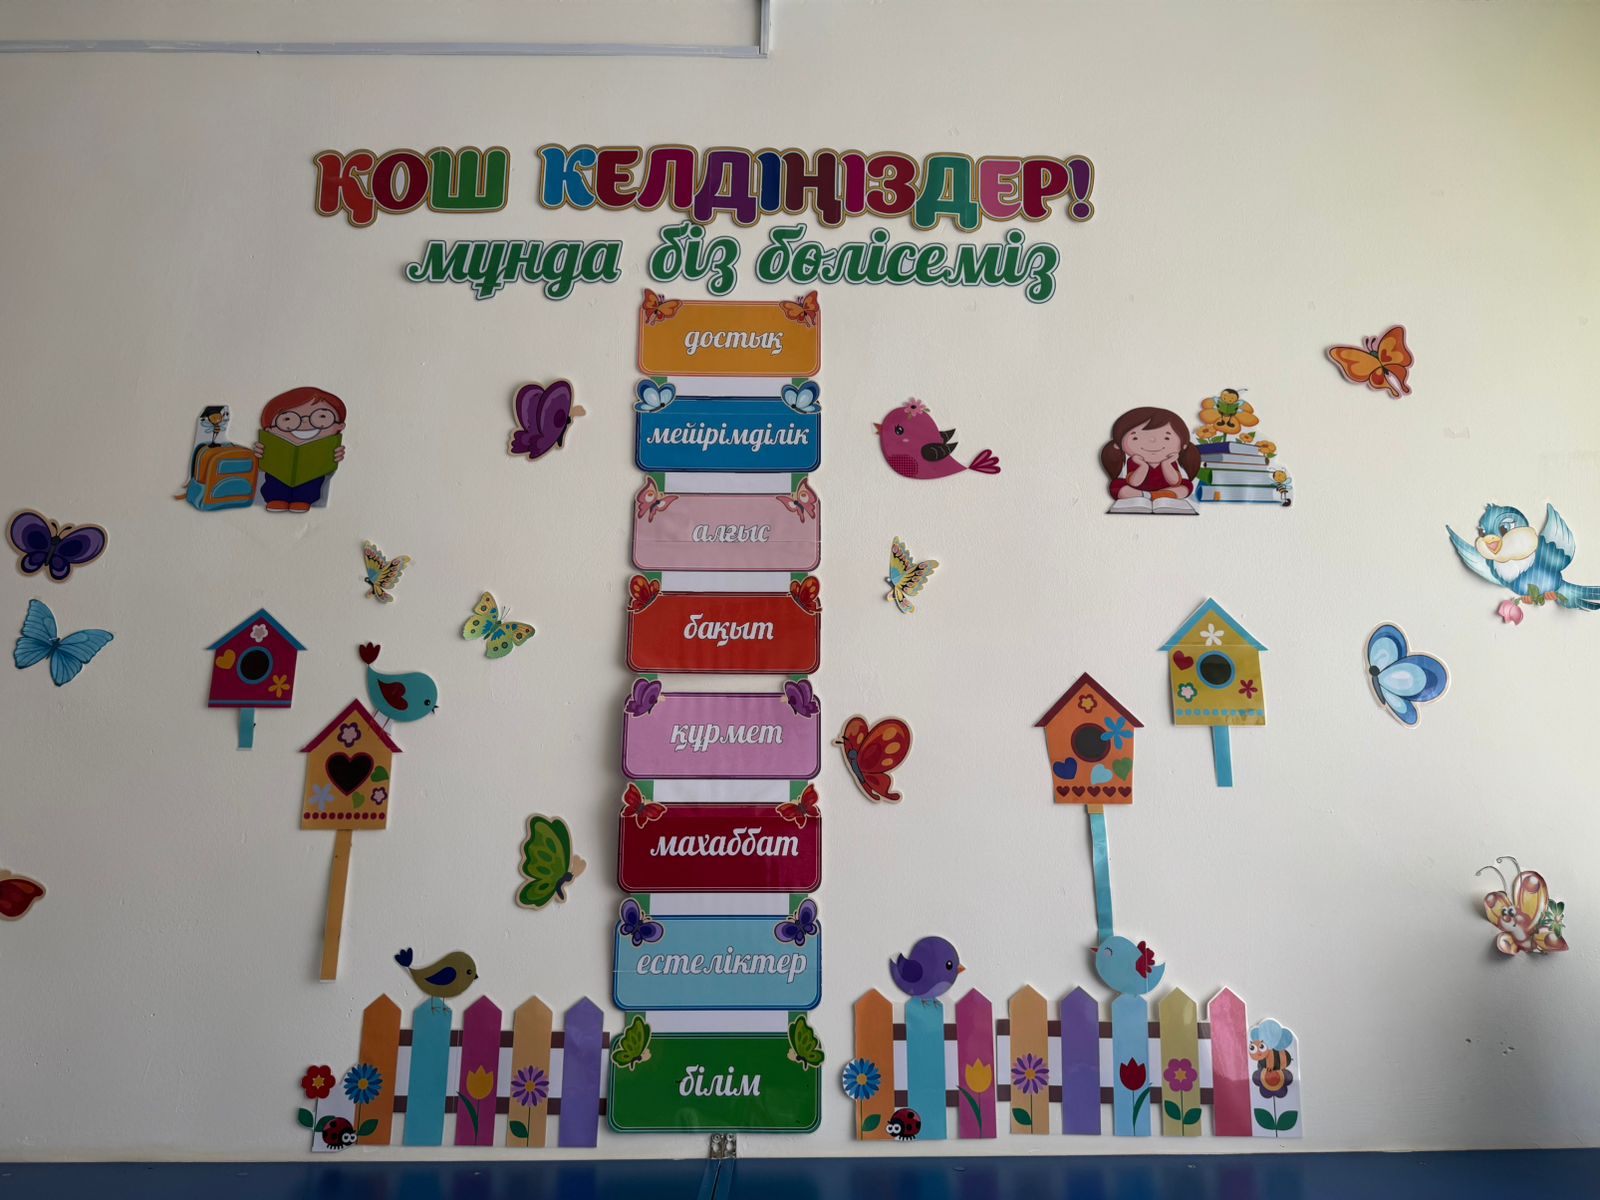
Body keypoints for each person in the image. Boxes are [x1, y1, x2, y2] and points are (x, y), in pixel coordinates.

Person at [253, 387, 347, 512]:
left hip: (313, 471)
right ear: (270, 429)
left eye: (322, 416)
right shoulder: (271, 441)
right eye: (287, 419)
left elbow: (332, 462)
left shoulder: (329, 444)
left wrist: (336, 455)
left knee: (312, 480)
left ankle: (302, 499)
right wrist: (259, 453)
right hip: (279, 468)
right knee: (275, 479)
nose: (305, 422)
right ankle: (276, 498)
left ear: (339, 426)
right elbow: (260, 460)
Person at [1100, 406, 1200, 515]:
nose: (1152, 442)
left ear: (1183, 445)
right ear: (1119, 445)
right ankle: (1148, 496)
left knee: (1186, 486)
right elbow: (1134, 483)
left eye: (1166, 438)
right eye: (1135, 438)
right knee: (1117, 486)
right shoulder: (1135, 461)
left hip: (1167, 489)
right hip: (1139, 491)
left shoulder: (1170, 461)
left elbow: (1174, 482)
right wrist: (1143, 466)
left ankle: (1160, 495)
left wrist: (1166, 464)